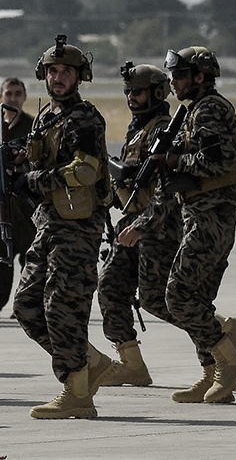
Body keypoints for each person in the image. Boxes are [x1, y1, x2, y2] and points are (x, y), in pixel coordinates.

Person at [11, 35, 115, 419]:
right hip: (49, 223)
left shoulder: (84, 118)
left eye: (66, 72)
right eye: (52, 71)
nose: (58, 77)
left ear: (79, 77)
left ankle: (77, 392)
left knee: (62, 307)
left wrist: (35, 181)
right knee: (25, 306)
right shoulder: (46, 117)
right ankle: (89, 363)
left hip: (77, 226)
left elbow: (86, 170)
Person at [161, 45, 236, 404]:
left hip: (210, 217)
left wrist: (173, 161)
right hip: (202, 214)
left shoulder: (210, 109)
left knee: (178, 295)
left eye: (180, 75)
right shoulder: (195, 111)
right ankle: (212, 374)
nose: (174, 82)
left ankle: (230, 362)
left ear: (200, 76)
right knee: (197, 297)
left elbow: (216, 160)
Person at [96, 63, 184, 387]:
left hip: (159, 226)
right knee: (110, 286)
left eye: (139, 91)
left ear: (157, 93)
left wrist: (143, 224)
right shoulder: (138, 130)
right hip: (132, 222)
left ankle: (219, 336)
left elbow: (168, 191)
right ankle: (131, 362)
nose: (132, 97)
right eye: (129, 92)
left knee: (160, 300)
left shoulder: (167, 133)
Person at [2, 77, 36, 312]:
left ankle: (25, 306)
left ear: (24, 97)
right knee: (2, 264)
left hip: (27, 208)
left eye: (17, 94)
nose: (13, 98)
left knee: (31, 261)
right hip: (2, 209)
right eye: (8, 93)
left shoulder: (34, 128)